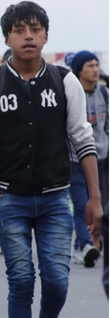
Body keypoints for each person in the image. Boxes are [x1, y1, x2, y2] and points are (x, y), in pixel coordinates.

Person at [0, 1, 102, 318]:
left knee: (58, 281)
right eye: (18, 30)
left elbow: (83, 139)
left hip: (56, 197)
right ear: (7, 37)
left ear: (46, 35)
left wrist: (94, 198)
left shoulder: (65, 80)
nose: (27, 36)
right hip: (9, 198)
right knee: (22, 280)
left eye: (35, 29)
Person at [67, 50, 108, 267]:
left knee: (99, 203)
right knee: (82, 203)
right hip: (74, 159)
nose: (95, 69)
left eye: (96, 65)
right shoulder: (72, 94)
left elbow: (107, 124)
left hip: (100, 157)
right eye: (89, 66)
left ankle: (82, 246)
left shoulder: (104, 94)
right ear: (79, 70)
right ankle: (84, 245)